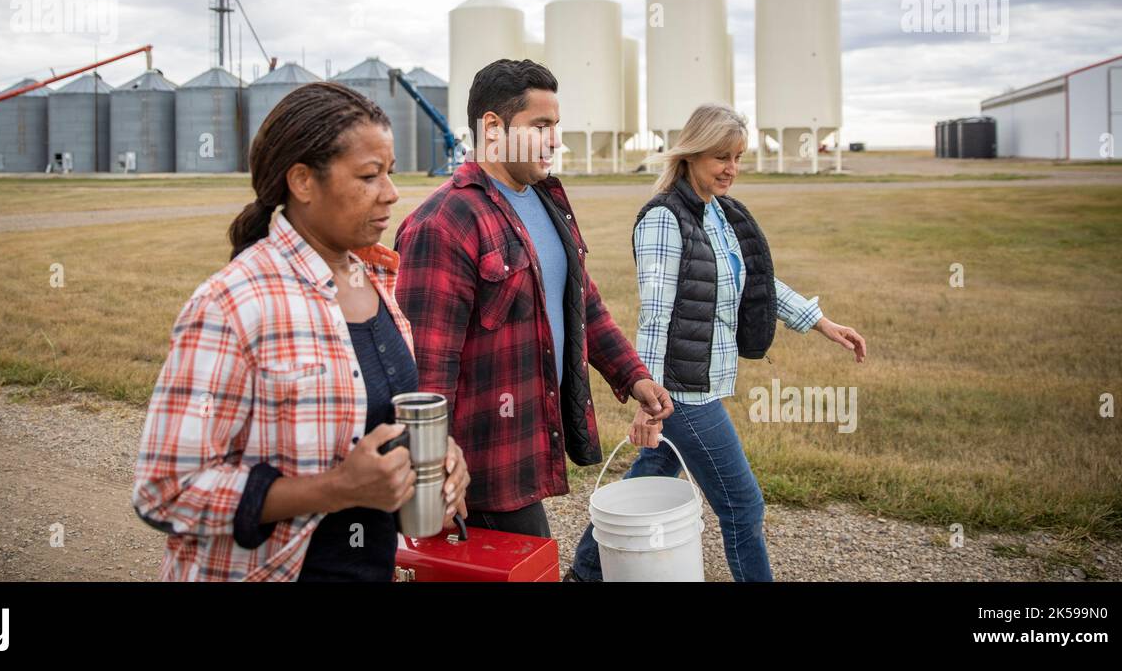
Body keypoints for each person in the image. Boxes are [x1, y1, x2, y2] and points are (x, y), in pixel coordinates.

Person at [132, 81, 469, 581]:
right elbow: (166, 490)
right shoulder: (234, 303)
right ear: (303, 181)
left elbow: (378, 421)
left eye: (391, 173)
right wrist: (337, 487)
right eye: (370, 176)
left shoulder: (376, 282)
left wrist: (438, 456)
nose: (392, 193)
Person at [568, 102, 867, 582]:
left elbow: (756, 281)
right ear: (690, 155)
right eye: (720, 157)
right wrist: (647, 399)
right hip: (683, 394)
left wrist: (822, 323)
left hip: (695, 385)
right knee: (743, 506)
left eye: (738, 157)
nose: (732, 169)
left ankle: (584, 573)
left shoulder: (720, 213)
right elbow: (656, 318)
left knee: (650, 476)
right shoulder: (665, 219)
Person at [394, 58, 673, 538]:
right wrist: (435, 475)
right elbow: (427, 374)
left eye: (556, 126)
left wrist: (633, 374)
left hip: (527, 449)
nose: (555, 140)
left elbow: (583, 303)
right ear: (494, 128)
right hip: (478, 473)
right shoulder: (444, 223)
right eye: (541, 126)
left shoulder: (547, 201)